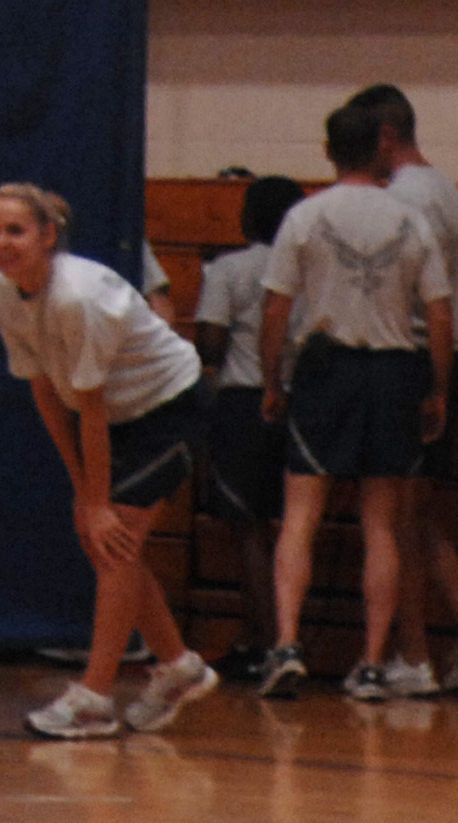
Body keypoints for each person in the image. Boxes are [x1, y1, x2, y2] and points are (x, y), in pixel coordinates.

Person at [0, 184, 213, 739]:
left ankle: (93, 697)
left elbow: (91, 408)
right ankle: (179, 665)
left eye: (16, 230)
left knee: (114, 543)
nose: (2, 242)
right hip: (112, 419)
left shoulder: (77, 297)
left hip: (169, 408)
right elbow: (45, 392)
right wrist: (85, 494)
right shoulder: (3, 293)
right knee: (105, 540)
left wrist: (98, 500)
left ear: (47, 236)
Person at [260, 102, 453, 706]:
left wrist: (272, 380)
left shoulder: (302, 217)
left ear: (327, 151)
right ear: (382, 149)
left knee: (301, 515)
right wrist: (437, 385)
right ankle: (370, 663)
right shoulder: (411, 220)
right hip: (394, 372)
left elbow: (274, 307)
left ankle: (287, 645)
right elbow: (439, 312)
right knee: (380, 523)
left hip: (326, 369)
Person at [349, 85, 458, 694]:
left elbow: (413, 292)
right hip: (440, 360)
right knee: (416, 514)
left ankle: (413, 657)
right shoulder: (447, 190)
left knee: (399, 519)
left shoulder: (405, 198)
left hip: (411, 360)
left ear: (384, 137)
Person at [189, 174, 304, 686]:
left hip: (244, 401)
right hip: (302, 403)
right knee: (292, 528)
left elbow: (211, 344)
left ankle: (263, 642)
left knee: (250, 530)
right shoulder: (309, 270)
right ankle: (276, 639)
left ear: (247, 218)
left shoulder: (228, 270)